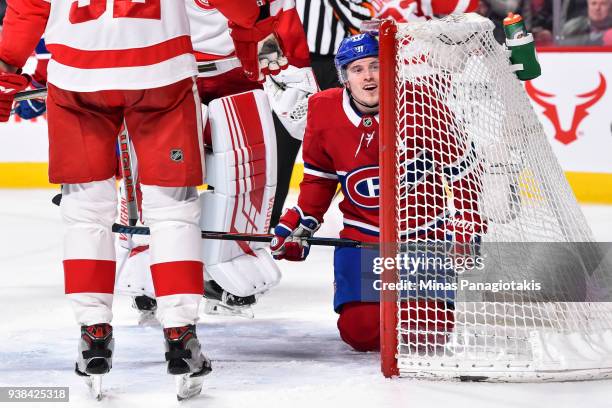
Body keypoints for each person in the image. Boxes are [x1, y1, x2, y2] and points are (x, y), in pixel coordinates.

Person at [0, 0, 295, 399]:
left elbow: (27, 7)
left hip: (76, 79)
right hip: (161, 74)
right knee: (173, 210)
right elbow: (244, 13)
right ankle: (179, 332)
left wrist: (6, 66)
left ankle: (94, 332)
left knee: (85, 211)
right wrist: (259, 17)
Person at [270, 33, 484, 352]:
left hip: (422, 235)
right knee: (361, 332)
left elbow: (463, 171)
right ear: (345, 78)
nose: (368, 76)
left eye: (375, 66)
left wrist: (467, 222)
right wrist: (303, 220)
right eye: (357, 69)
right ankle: (365, 294)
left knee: (426, 333)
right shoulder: (323, 109)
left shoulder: (424, 103)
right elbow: (320, 177)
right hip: (363, 236)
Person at [116, 0, 314, 323]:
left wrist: (296, 78)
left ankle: (232, 259)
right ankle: (145, 255)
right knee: (158, 170)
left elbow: (280, 16)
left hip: (237, 72)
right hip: (169, 69)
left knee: (245, 161)